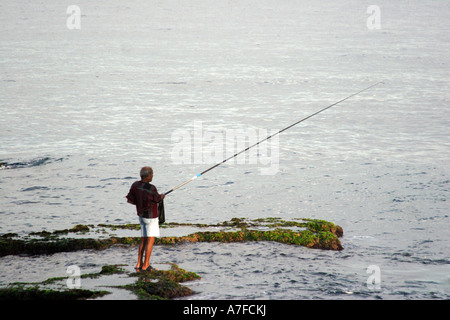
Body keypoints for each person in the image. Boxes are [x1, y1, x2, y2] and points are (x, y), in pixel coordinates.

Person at [126, 166, 165, 271]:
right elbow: (157, 199)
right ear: (147, 176)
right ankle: (146, 265)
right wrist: (161, 196)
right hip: (151, 217)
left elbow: (130, 200)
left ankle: (139, 263)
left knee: (143, 238)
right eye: (151, 174)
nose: (152, 175)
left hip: (141, 216)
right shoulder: (151, 188)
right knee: (151, 238)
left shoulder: (135, 185)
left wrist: (139, 203)